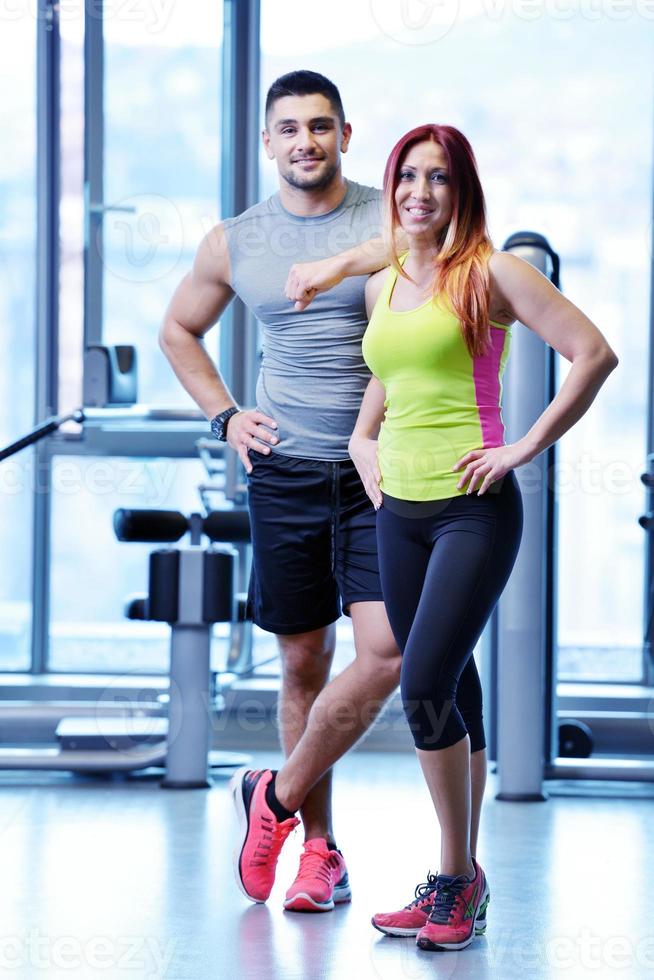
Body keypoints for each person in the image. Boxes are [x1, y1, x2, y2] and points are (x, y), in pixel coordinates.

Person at [307, 123, 615, 952]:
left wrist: (520, 447)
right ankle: (457, 884)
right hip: (397, 513)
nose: (419, 192)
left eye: (438, 178)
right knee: (458, 692)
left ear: (462, 189)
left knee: (424, 689)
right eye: (407, 176)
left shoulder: (492, 273)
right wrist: (362, 441)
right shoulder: (387, 280)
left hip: (472, 510)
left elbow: (592, 353)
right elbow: (389, 373)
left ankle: (456, 881)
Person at [160, 70, 407, 914]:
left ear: (346, 133)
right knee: (303, 660)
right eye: (290, 128)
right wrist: (227, 414)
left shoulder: (389, 216)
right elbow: (178, 328)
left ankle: (273, 794)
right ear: (268, 141)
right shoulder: (237, 240)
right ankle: (321, 852)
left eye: (321, 126)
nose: (306, 140)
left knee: (389, 652)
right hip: (289, 473)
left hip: (383, 470)